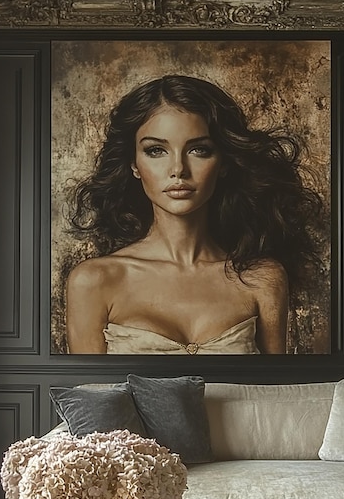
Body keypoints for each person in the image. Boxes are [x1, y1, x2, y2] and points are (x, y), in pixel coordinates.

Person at [64, 75, 322, 354]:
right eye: (156, 151)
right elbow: (88, 396)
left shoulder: (263, 279)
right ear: (134, 165)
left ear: (223, 162)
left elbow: (277, 394)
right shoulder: (94, 281)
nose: (178, 169)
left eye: (199, 150)